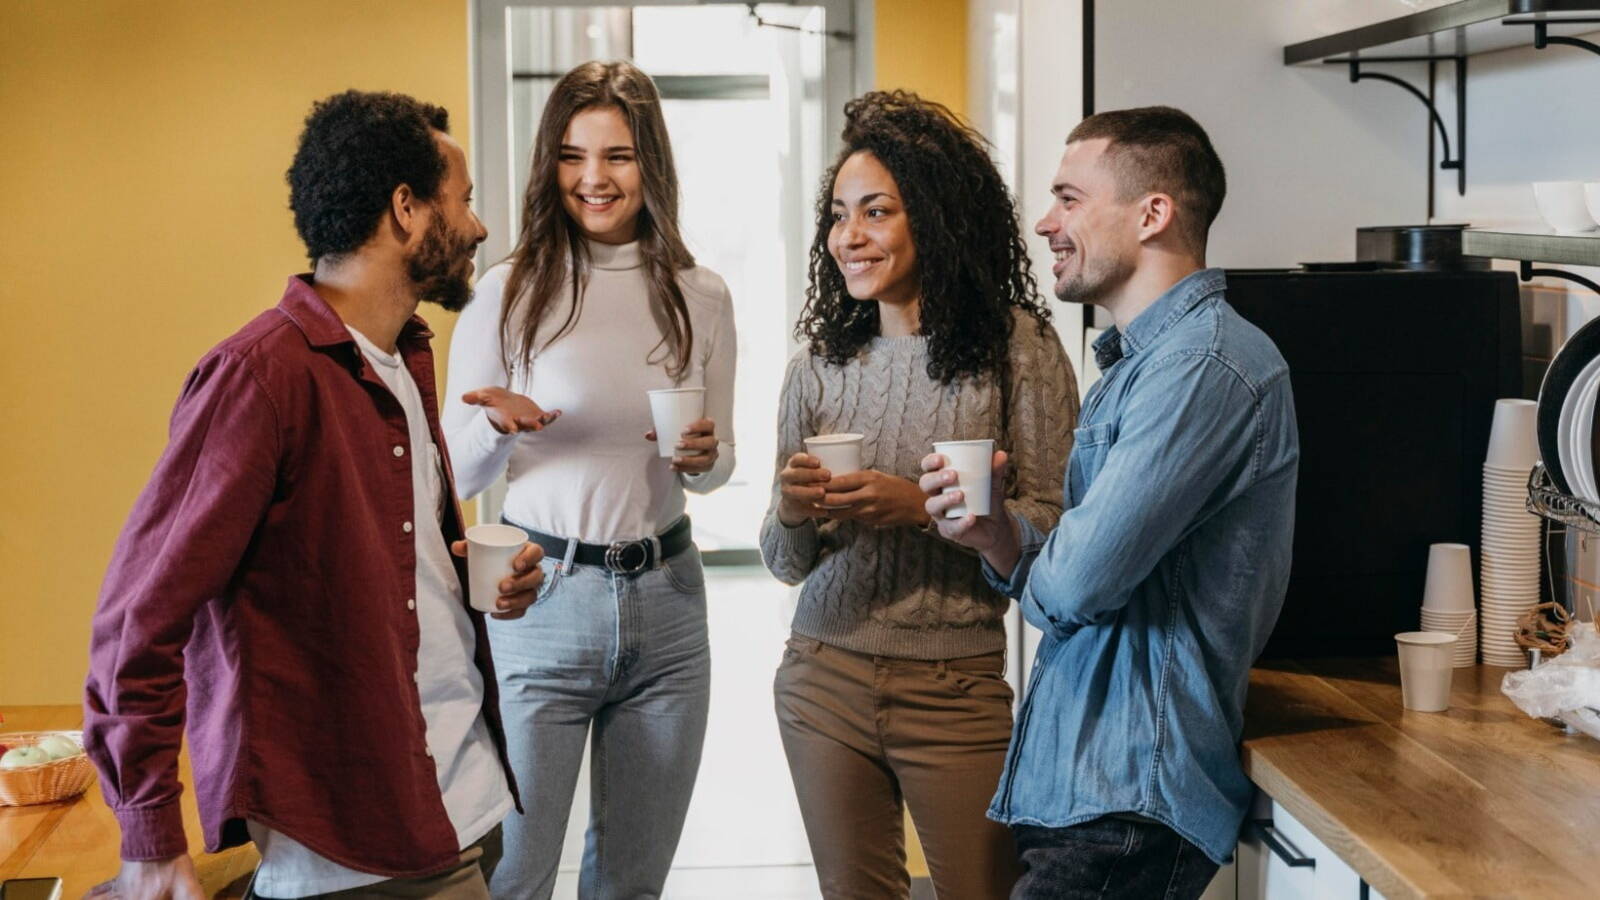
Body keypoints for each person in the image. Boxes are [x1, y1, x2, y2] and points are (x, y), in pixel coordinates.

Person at [82, 90, 548, 900]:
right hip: (355, 850)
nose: (476, 227)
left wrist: (471, 578)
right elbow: (136, 620)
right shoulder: (261, 377)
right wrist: (150, 834)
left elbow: (376, 570)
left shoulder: (400, 358)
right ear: (406, 210)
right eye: (463, 200)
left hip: (461, 803)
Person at [921, 106, 1299, 899]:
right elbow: (1077, 571)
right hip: (1093, 794)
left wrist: (1044, 555)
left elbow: (1080, 583)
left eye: (1069, 197)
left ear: (1152, 212)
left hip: (1131, 804)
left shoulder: (1206, 367)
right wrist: (997, 536)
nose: (1044, 221)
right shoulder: (1141, 365)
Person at [761, 90, 1078, 899]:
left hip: (957, 685)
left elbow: (1059, 529)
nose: (849, 237)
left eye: (876, 212)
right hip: (822, 674)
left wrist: (924, 510)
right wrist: (794, 513)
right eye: (839, 214)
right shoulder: (819, 365)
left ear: (934, 217)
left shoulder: (1018, 347)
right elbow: (785, 560)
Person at [443, 60, 735, 899]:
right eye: (573, 156)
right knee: (516, 877)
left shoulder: (700, 294)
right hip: (539, 602)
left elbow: (720, 470)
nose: (594, 179)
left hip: (670, 605)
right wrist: (496, 422)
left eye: (618, 155)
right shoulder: (506, 292)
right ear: (550, 165)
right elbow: (452, 477)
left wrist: (703, 457)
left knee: (632, 884)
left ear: (652, 163)